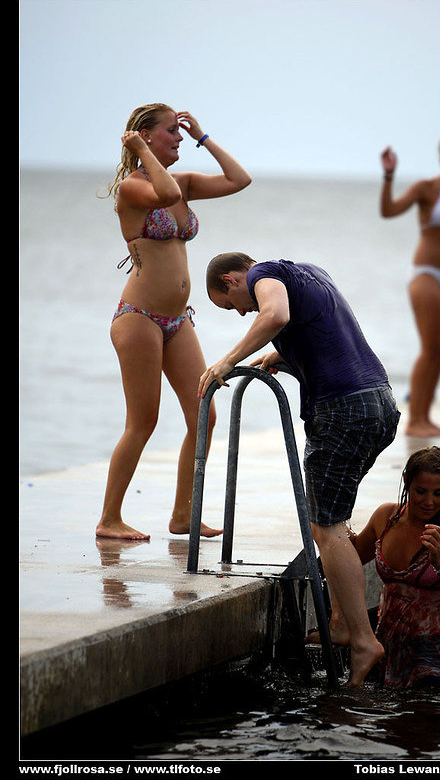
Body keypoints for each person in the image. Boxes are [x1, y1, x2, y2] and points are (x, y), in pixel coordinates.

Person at [198, 253, 401, 687]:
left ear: (232, 279)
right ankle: (341, 622)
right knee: (332, 520)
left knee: (326, 528)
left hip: (344, 411)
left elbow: (274, 314)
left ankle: (363, 639)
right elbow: (326, 335)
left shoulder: (264, 274)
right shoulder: (310, 274)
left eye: (230, 304)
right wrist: (284, 356)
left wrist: (226, 361)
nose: (240, 313)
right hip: (379, 404)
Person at [96, 105, 252, 541]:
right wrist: (143, 153)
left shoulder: (182, 182)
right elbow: (163, 196)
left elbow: (239, 179)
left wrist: (204, 137)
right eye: (172, 131)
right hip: (138, 318)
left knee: (204, 414)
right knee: (143, 421)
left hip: (177, 320)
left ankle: (183, 514)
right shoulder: (134, 186)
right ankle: (109, 518)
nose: (179, 138)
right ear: (145, 136)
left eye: (182, 132)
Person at [338, 447, 440, 688]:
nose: (429, 502)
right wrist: (332, 527)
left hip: (437, 653)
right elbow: (352, 558)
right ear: (406, 481)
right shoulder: (386, 518)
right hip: (388, 648)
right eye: (420, 491)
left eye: (438, 493)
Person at [380, 134, 440, 437]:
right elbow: (389, 210)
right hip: (427, 274)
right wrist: (389, 176)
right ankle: (415, 420)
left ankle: (426, 417)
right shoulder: (426, 188)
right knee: (430, 347)